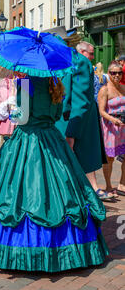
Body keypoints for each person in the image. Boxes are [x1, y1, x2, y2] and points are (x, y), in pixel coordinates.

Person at [0, 75, 108, 272]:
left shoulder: (24, 84)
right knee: (63, 187)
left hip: (29, 140)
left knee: (23, 190)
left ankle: (29, 251)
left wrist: (10, 111)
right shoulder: (55, 83)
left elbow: (22, 118)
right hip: (52, 139)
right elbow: (58, 114)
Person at [56, 42, 110, 201]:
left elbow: (79, 103)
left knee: (73, 182)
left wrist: (71, 133)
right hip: (54, 129)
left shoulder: (77, 61)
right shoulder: (50, 64)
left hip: (71, 127)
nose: (93, 57)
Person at [98, 60, 125, 198]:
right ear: (108, 73)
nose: (117, 75)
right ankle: (108, 186)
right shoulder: (104, 89)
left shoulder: (123, 88)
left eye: (119, 73)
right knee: (110, 158)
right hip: (110, 127)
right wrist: (113, 120)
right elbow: (101, 111)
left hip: (123, 127)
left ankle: (122, 183)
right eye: (113, 73)